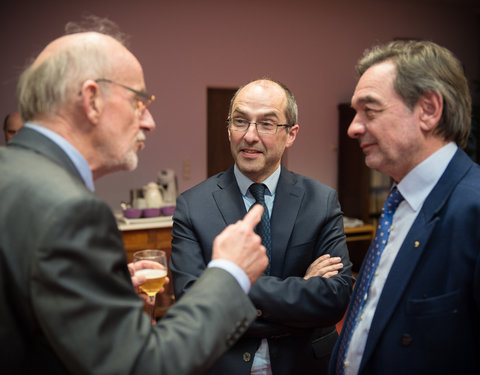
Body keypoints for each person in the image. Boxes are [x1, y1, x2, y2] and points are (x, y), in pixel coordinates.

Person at [0, 17, 270, 374]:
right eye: (139, 101)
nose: (149, 121)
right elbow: (142, 366)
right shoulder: (73, 211)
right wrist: (229, 271)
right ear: (92, 99)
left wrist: (93, 288)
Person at [170, 78, 355, 375]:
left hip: (305, 364)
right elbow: (192, 302)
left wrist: (228, 283)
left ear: (291, 134)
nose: (250, 136)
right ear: (229, 128)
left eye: (267, 124)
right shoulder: (193, 206)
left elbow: (334, 299)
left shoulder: (320, 201)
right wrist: (303, 288)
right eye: (240, 121)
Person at [330, 40, 480, 375]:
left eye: (370, 110)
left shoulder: (473, 208)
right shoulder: (399, 204)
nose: (353, 128)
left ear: (428, 110)